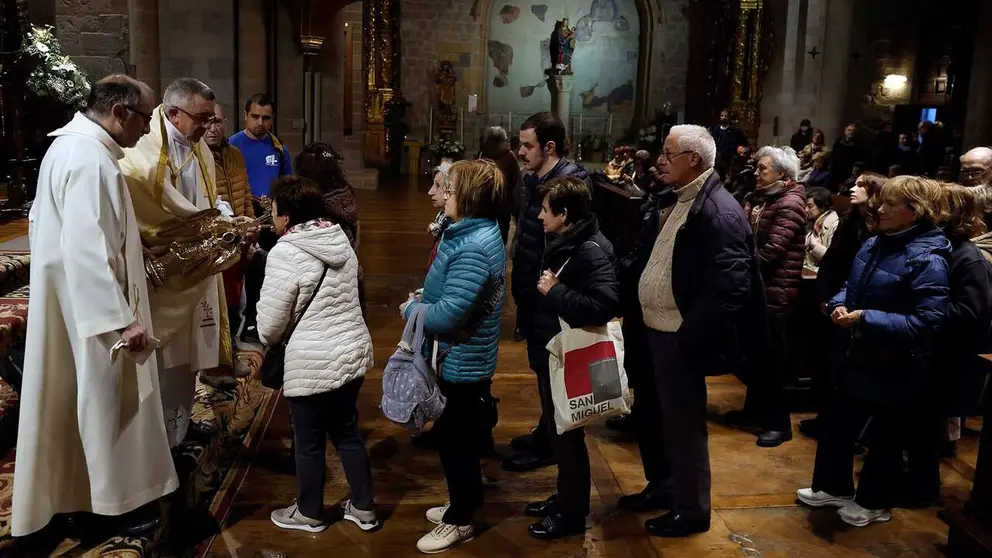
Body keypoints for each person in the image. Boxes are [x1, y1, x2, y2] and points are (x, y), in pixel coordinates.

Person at [12, 75, 177, 537]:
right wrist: (120, 321)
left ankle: (82, 499)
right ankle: (107, 508)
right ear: (119, 113)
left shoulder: (74, 149)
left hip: (73, 307)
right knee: (104, 407)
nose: (149, 130)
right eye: (147, 118)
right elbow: (85, 251)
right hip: (94, 317)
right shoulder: (88, 159)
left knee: (78, 407)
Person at [798, 176, 950, 528]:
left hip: (897, 363)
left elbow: (927, 321)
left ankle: (874, 502)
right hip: (861, 353)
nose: (878, 209)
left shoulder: (928, 258)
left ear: (915, 211)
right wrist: (837, 304)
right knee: (838, 425)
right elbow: (854, 285)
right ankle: (833, 487)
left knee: (886, 438)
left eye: (890, 204)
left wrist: (865, 318)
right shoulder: (876, 242)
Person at [638, 125, 764, 537]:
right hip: (658, 330)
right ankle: (664, 488)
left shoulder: (719, 210)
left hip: (679, 336)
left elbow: (731, 288)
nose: (660, 159)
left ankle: (692, 511)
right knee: (658, 419)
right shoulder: (683, 199)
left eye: (668, 153)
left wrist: (687, 337)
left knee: (684, 427)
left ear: (694, 160)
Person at [258, 176, 378, 534]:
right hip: (351, 351)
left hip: (311, 361)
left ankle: (309, 512)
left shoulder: (286, 251)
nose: (272, 217)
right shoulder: (339, 238)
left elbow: (270, 327)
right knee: (347, 433)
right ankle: (364, 507)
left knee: (308, 441)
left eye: (275, 211)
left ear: (287, 214)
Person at [120, 77, 235, 447]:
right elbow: (152, 207)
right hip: (164, 270)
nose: (208, 127)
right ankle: (156, 438)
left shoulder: (196, 144)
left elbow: (205, 195)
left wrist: (221, 218)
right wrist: (212, 223)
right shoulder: (144, 153)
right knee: (163, 356)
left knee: (187, 357)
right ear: (174, 113)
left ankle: (179, 427)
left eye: (212, 120)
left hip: (197, 260)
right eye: (202, 119)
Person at [401, 160, 506, 554]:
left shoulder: (474, 246)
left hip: (463, 359)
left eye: (450, 188)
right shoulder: (469, 232)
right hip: (461, 354)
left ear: (468, 196)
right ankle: (463, 502)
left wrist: (412, 310)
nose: (443, 194)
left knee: (457, 442)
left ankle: (460, 520)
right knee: (458, 438)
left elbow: (447, 314)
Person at [524, 177, 619, 540]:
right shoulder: (568, 240)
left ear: (565, 214)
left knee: (569, 435)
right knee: (558, 429)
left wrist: (556, 291)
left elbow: (604, 305)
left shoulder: (590, 249)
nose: (538, 216)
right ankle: (565, 498)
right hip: (554, 351)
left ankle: (573, 513)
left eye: (546, 210)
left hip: (572, 355)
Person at [504, 112, 588, 473]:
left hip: (550, 296)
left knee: (553, 372)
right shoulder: (534, 179)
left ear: (549, 147)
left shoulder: (569, 185)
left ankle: (553, 444)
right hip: (533, 293)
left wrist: (547, 289)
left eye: (527, 145)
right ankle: (546, 431)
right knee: (540, 368)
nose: (521, 151)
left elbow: (566, 247)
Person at [727, 146, 806, 448]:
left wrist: (738, 261)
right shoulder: (767, 199)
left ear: (782, 174)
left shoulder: (790, 203)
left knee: (773, 363)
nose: (756, 173)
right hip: (761, 290)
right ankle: (753, 412)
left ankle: (779, 424)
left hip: (777, 292)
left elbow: (772, 251)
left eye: (762, 169)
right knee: (756, 358)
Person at [615, 154, 678, 513]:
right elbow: (642, 257)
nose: (660, 162)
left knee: (661, 414)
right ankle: (658, 481)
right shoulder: (659, 206)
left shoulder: (686, 212)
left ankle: (667, 486)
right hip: (644, 322)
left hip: (665, 329)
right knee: (648, 409)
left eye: (669, 156)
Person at [927, 185, 992, 470]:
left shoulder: (969, 257)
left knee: (932, 427)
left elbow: (970, 311)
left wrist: (921, 312)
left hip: (950, 354)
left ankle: (921, 488)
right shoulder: (940, 247)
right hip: (931, 349)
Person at [230, 93, 293, 343]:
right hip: (243, 217)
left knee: (270, 271)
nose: (260, 123)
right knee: (240, 274)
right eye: (255, 116)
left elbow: (288, 187)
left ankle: (263, 321)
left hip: (272, 220)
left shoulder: (279, 148)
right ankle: (240, 323)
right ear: (245, 116)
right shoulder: (232, 146)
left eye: (266, 118)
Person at [204, 102, 254, 386]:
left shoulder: (234, 155)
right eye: (208, 122)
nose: (213, 128)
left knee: (236, 304)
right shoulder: (195, 156)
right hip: (215, 243)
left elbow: (244, 193)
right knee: (216, 307)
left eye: (218, 122)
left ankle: (231, 353)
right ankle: (212, 364)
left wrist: (249, 230)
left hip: (240, 239)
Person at [479, 126, 521, 244]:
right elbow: (516, 181)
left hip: (485, 202)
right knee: (501, 236)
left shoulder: (483, 153)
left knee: (485, 236)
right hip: (503, 203)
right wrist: (515, 206)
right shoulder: (509, 155)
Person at [804, 187, 839, 276]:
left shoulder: (834, 224)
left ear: (822, 206)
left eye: (810, 206)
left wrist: (815, 245)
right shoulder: (812, 222)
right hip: (808, 272)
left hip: (821, 275)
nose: (806, 210)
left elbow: (833, 259)